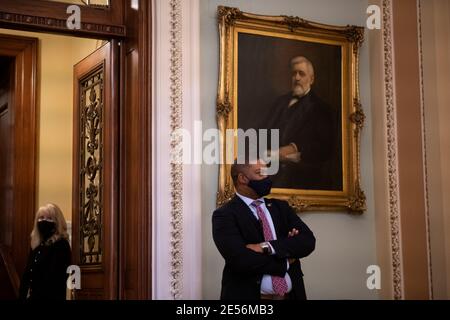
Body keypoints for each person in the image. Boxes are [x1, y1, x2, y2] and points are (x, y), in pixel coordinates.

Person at [212, 159, 316, 300]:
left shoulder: (281, 208)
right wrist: (286, 259)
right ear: (243, 178)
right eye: (260, 173)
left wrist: (266, 247)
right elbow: (240, 260)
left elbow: (307, 241)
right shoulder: (225, 215)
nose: (266, 178)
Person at [263, 55, 338, 190]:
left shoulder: (322, 108)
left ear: (311, 79)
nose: (297, 78)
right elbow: (263, 129)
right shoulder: (279, 102)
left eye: (301, 74)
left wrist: (294, 148)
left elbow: (325, 148)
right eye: (294, 73)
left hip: (300, 178)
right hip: (268, 171)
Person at [19, 203, 71, 300]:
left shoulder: (61, 245)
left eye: (49, 218)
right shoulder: (36, 245)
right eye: (41, 218)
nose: (44, 221)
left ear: (57, 222)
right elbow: (27, 274)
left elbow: (56, 278)